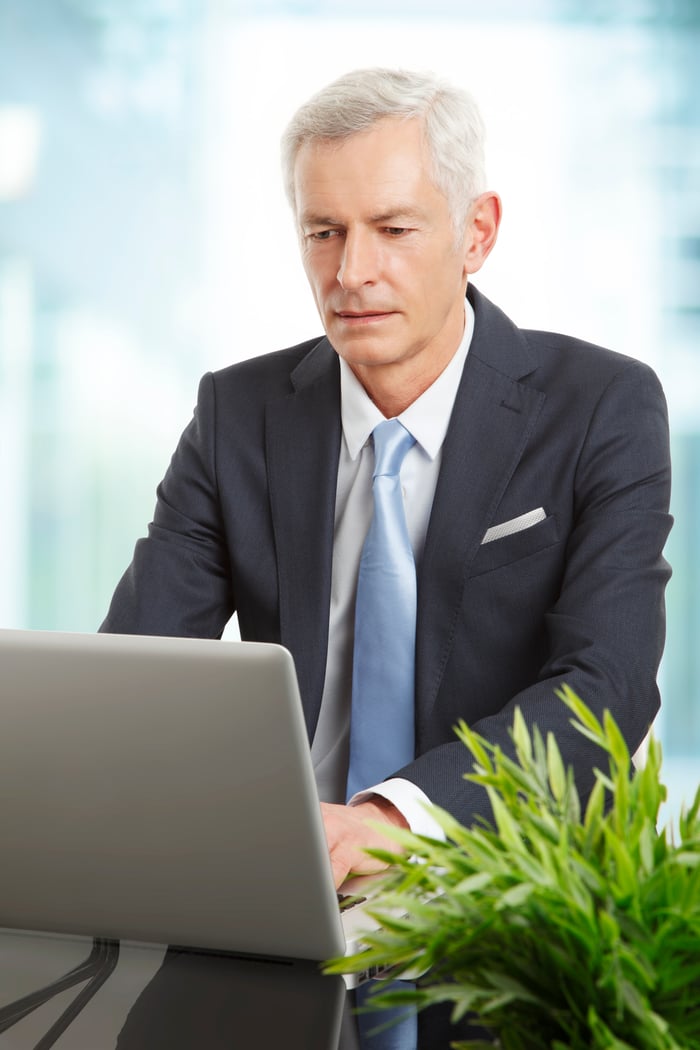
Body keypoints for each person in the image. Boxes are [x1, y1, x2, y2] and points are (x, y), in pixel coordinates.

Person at [102, 68, 672, 1047]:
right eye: (322, 231)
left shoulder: (599, 409)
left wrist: (392, 820)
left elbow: (605, 690)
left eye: (393, 229)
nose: (350, 271)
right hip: (270, 917)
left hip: (505, 929)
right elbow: (135, 680)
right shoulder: (238, 416)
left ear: (477, 233)